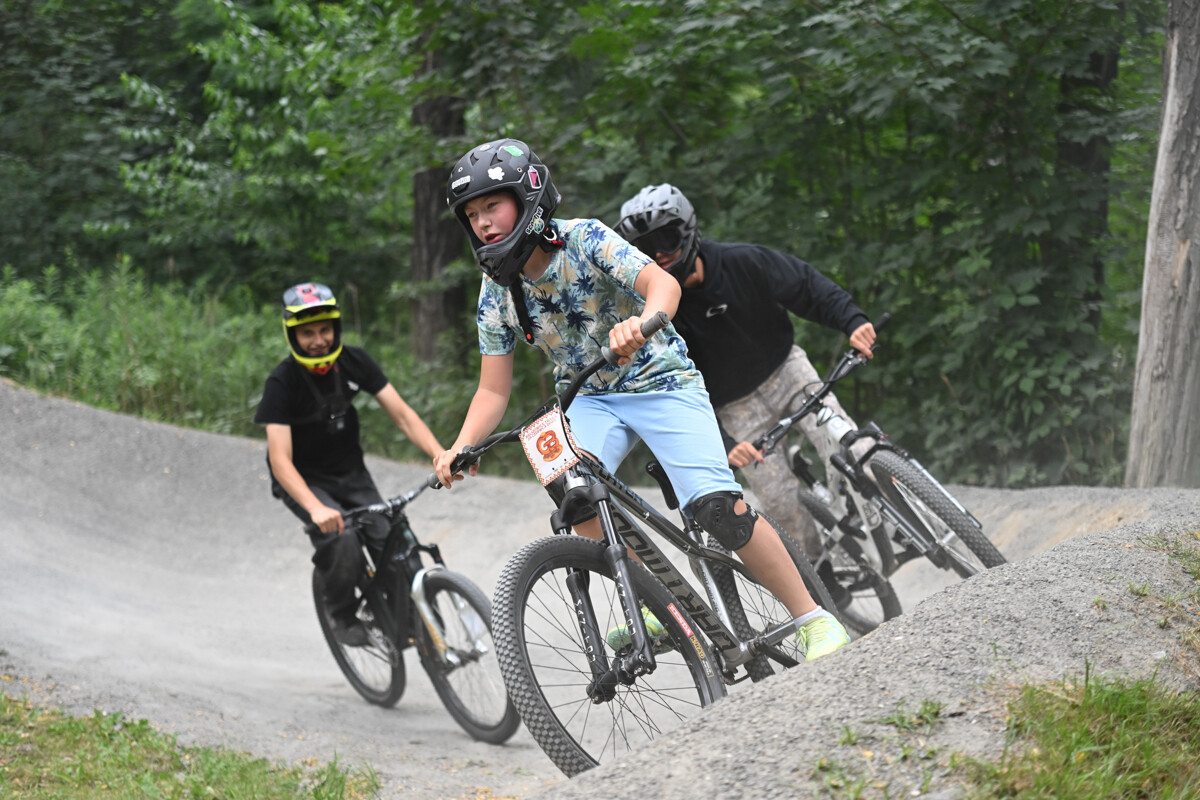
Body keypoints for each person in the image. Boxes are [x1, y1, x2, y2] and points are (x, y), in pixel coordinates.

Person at [432, 138, 849, 661]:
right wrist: (460, 446)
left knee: (717, 507)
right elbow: (492, 388)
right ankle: (658, 601)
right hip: (591, 398)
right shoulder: (495, 293)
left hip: (662, 380)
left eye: (492, 205)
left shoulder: (583, 239)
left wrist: (642, 320)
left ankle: (815, 620)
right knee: (572, 490)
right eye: (471, 214)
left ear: (527, 195)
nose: (483, 222)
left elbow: (661, 284)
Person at [613, 184, 877, 565]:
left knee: (851, 447)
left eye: (665, 241)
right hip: (735, 412)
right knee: (781, 503)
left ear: (688, 232)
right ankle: (826, 577)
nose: (657, 255)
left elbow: (805, 284)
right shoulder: (652, 311)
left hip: (788, 372)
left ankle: (887, 515)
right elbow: (669, 386)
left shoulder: (741, 261)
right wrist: (723, 441)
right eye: (643, 248)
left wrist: (852, 321)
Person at [255, 282, 443, 646]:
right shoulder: (282, 382)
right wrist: (314, 508)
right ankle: (340, 613)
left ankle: (407, 623)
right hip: (305, 481)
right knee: (341, 541)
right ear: (292, 334)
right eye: (307, 333)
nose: (319, 340)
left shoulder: (353, 362)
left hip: (350, 474)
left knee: (394, 543)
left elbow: (403, 415)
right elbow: (279, 460)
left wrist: (439, 454)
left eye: (324, 330)